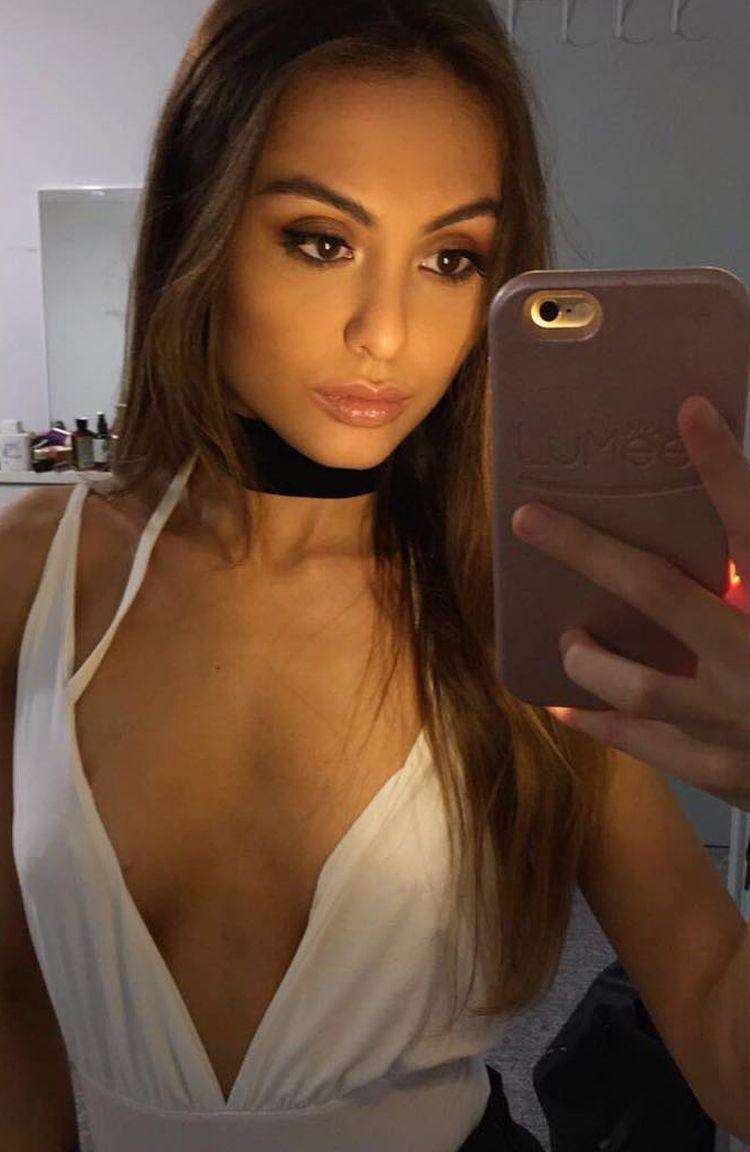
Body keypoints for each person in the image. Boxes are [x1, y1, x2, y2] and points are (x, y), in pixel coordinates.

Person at [2, 1, 748, 1149]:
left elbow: (723, 1047)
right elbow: (9, 1006)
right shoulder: (34, 574)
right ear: (203, 226)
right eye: (321, 241)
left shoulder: (527, 605)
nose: (388, 334)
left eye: (452, 260)